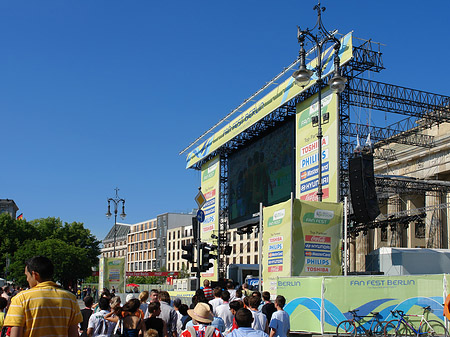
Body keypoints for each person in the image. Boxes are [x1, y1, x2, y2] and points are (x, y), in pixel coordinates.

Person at [3, 255, 82, 337]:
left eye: (27, 275)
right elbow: (73, 334)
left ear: (34, 275)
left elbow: (15, 334)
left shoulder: (21, 299)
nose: (27, 279)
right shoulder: (70, 299)